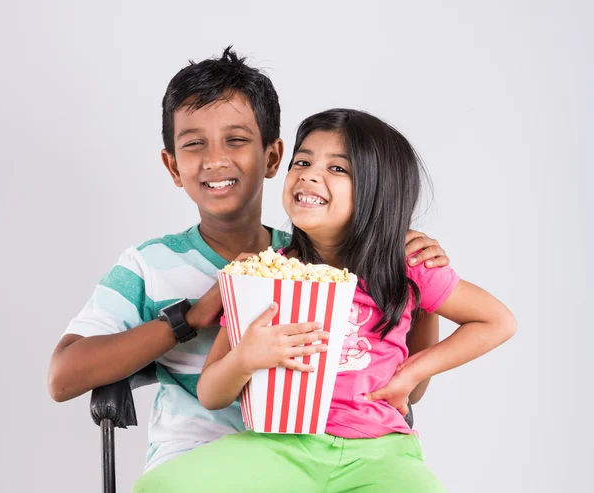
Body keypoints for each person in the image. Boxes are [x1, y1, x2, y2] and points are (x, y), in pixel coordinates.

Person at [47, 49, 449, 475]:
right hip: (194, 460)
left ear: (273, 157)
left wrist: (421, 288)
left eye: (236, 140)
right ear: (173, 166)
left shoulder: (312, 260)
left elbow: (410, 389)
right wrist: (190, 318)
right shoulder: (150, 265)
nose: (215, 160)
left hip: (311, 459)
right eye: (193, 144)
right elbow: (63, 377)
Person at [133, 108, 516, 492]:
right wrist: (246, 357)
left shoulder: (406, 266)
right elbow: (211, 393)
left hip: (380, 451)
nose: (309, 174)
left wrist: (411, 373)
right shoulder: (265, 274)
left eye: (338, 169)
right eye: (302, 161)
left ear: (378, 192)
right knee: (163, 486)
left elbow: (497, 322)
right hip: (281, 447)